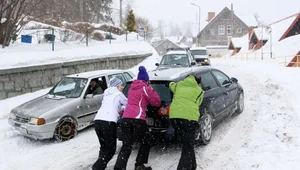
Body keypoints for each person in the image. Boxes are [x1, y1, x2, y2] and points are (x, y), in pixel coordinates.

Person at [114, 66, 161, 170]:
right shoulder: (145, 88)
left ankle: (119, 167)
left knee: (127, 145)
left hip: (126, 118)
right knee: (146, 140)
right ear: (146, 80)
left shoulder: (131, 88)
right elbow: (156, 102)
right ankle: (139, 164)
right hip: (137, 118)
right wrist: (152, 89)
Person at [168, 74, 204, 170]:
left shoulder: (179, 85)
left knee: (187, 143)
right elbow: (198, 103)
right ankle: (182, 168)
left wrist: (170, 83)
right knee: (187, 145)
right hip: (189, 119)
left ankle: (192, 166)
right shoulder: (199, 91)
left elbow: (171, 85)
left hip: (175, 118)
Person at [92, 78, 127, 170]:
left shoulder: (106, 95)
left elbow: (112, 105)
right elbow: (128, 104)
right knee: (111, 149)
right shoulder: (119, 94)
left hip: (97, 121)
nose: (122, 87)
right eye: (121, 85)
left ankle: (101, 164)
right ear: (117, 86)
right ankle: (97, 167)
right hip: (108, 122)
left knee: (104, 147)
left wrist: (120, 107)